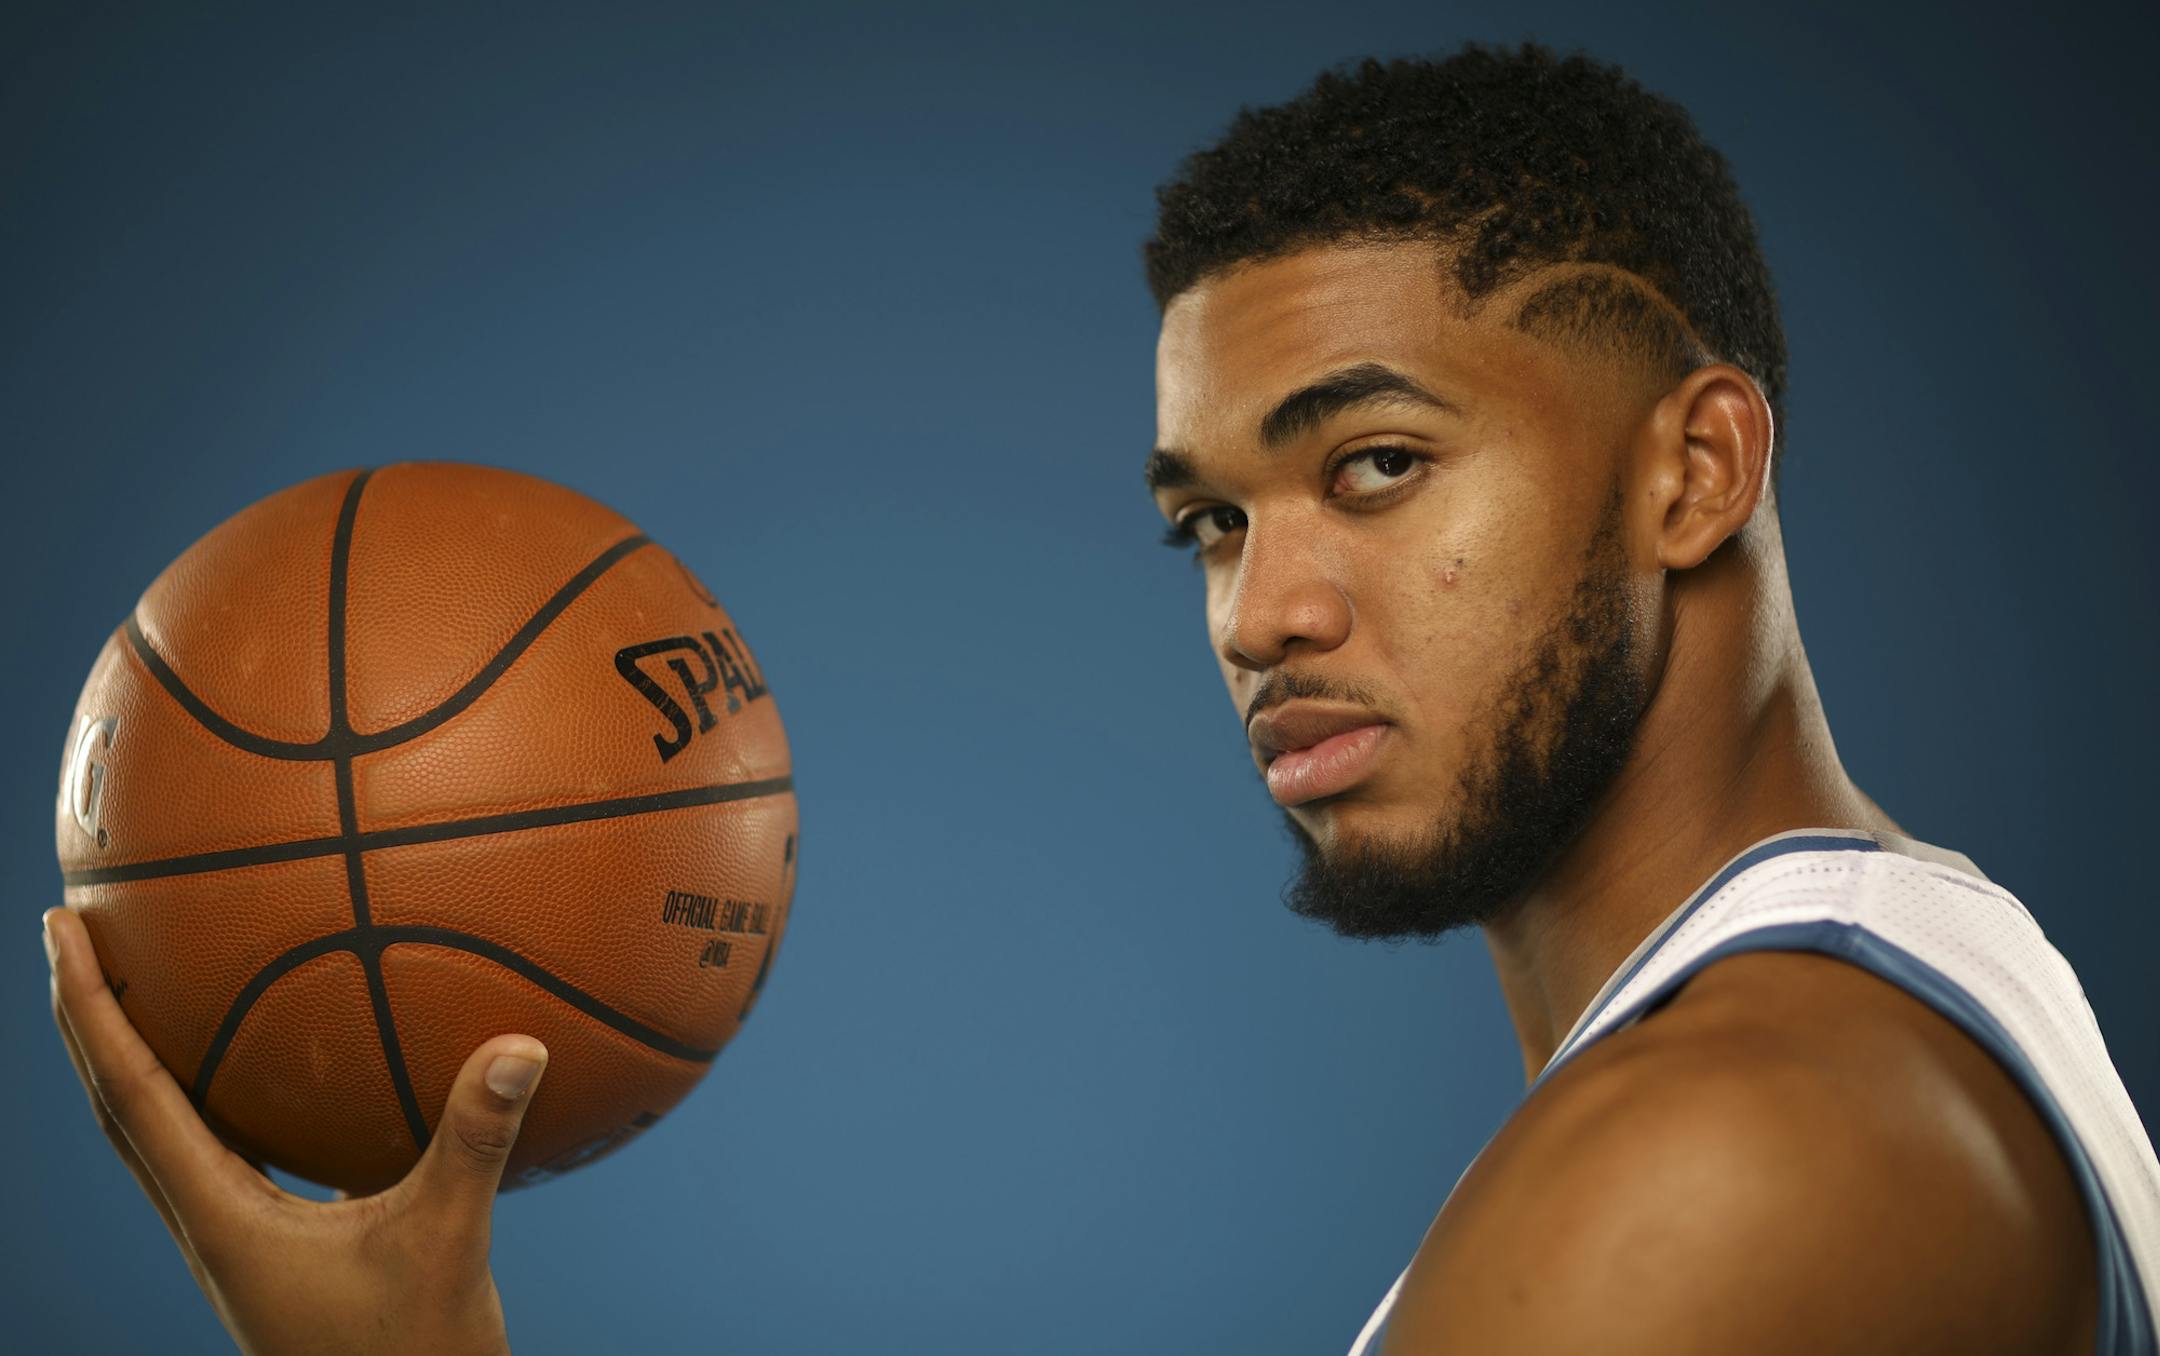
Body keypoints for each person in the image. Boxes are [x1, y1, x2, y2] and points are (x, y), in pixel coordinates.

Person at [42, 39, 2160, 1355]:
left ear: (1694, 469)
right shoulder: (1906, 975)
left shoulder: (1739, 1157)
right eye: (1210, 524)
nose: (1261, 612)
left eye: (1375, 468)